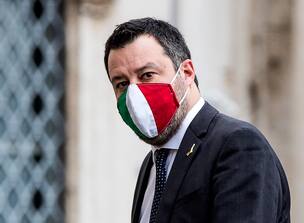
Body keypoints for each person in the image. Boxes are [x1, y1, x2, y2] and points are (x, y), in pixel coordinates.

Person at [104, 17, 290, 223]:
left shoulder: (237, 144)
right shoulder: (153, 164)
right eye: (121, 84)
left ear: (186, 73)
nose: (134, 93)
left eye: (147, 75)